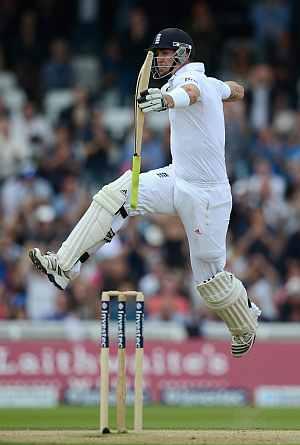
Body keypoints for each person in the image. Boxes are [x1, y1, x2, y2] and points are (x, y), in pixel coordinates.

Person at [29, 28, 261, 357]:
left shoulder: (190, 82)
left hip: (208, 195)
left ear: (182, 54)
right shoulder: (209, 83)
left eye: (165, 53)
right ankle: (63, 265)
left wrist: (166, 100)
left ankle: (244, 322)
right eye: (158, 53)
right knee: (117, 193)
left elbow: (189, 94)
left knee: (209, 279)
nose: (159, 59)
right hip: (178, 177)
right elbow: (234, 89)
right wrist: (234, 91)